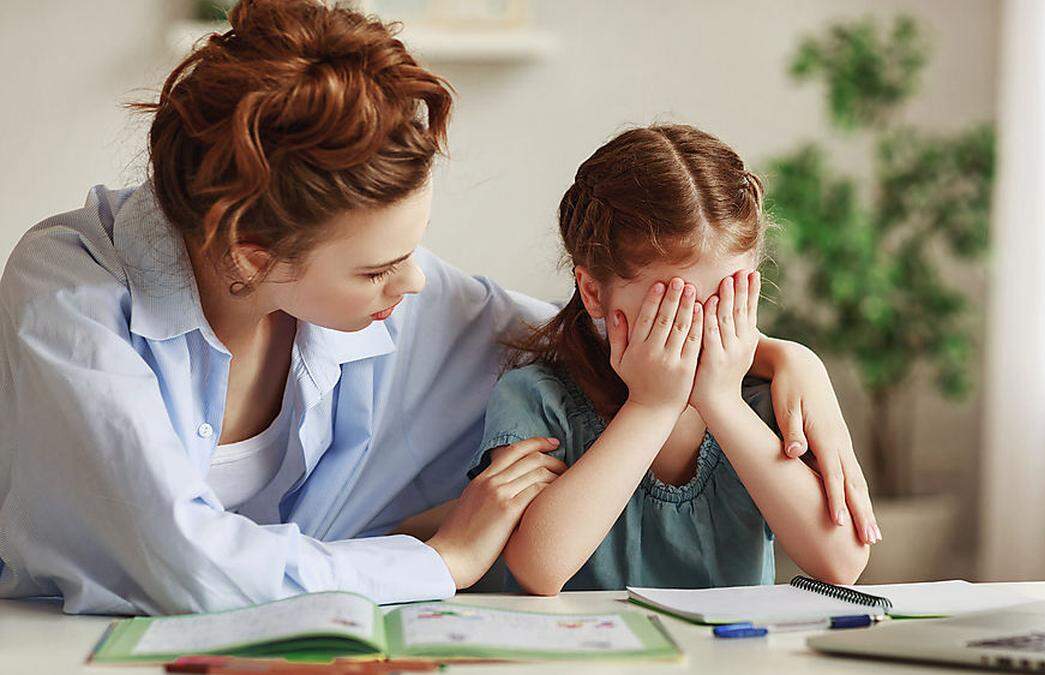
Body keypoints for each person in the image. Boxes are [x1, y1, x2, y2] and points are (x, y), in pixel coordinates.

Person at [0, 0, 879, 616]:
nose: (414, 286)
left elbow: (601, 331)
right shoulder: (69, 296)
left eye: (412, 251)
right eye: (380, 269)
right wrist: (441, 558)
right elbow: (183, 562)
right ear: (250, 254)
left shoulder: (387, 297)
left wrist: (779, 357)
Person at [476, 126, 870, 595]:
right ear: (594, 292)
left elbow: (841, 562)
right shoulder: (535, 397)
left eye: (725, 301)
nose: (700, 330)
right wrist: (651, 407)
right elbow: (539, 569)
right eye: (673, 308)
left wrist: (722, 402)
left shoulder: (768, 398)